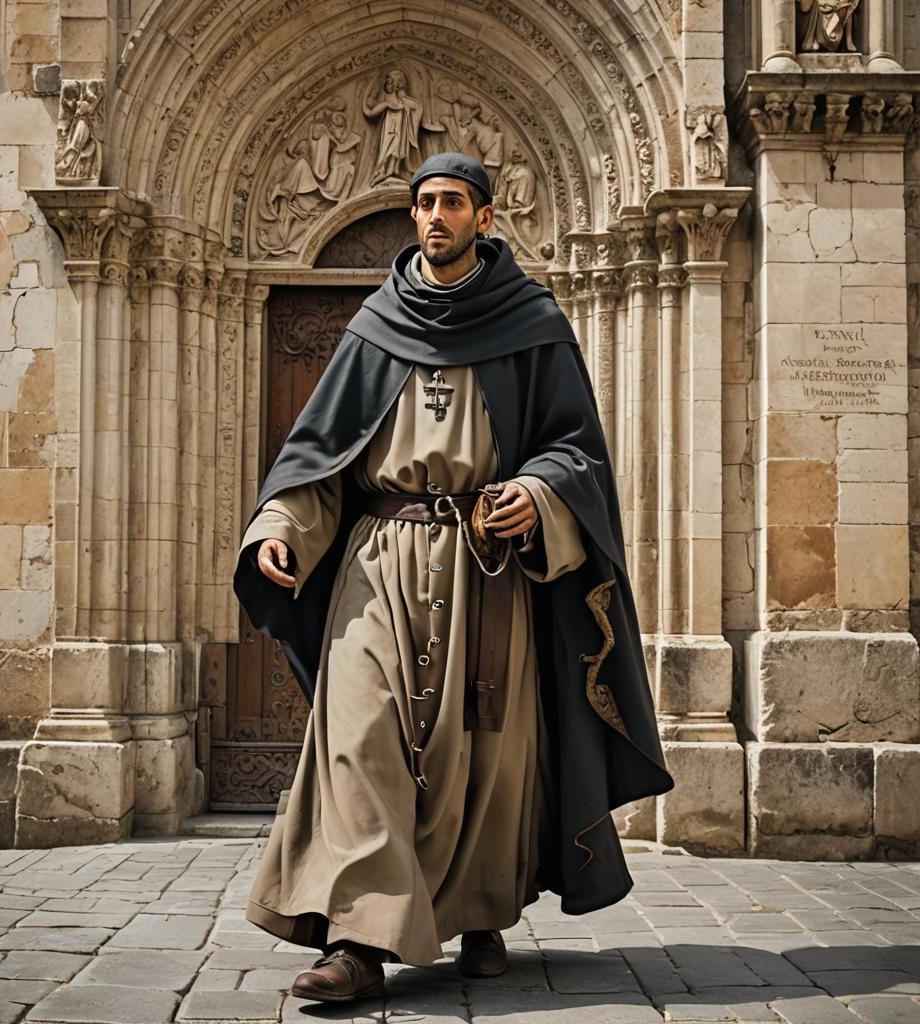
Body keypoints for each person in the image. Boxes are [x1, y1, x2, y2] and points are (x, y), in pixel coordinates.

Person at [234, 152, 673, 1003]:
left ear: (486, 218)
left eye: (454, 203)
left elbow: (576, 448)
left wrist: (539, 494)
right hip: (378, 560)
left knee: (484, 757)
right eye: (425, 203)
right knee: (358, 738)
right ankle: (360, 942)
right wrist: (279, 528)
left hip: (488, 569)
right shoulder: (374, 325)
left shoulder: (532, 322)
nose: (436, 217)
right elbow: (322, 457)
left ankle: (481, 911)